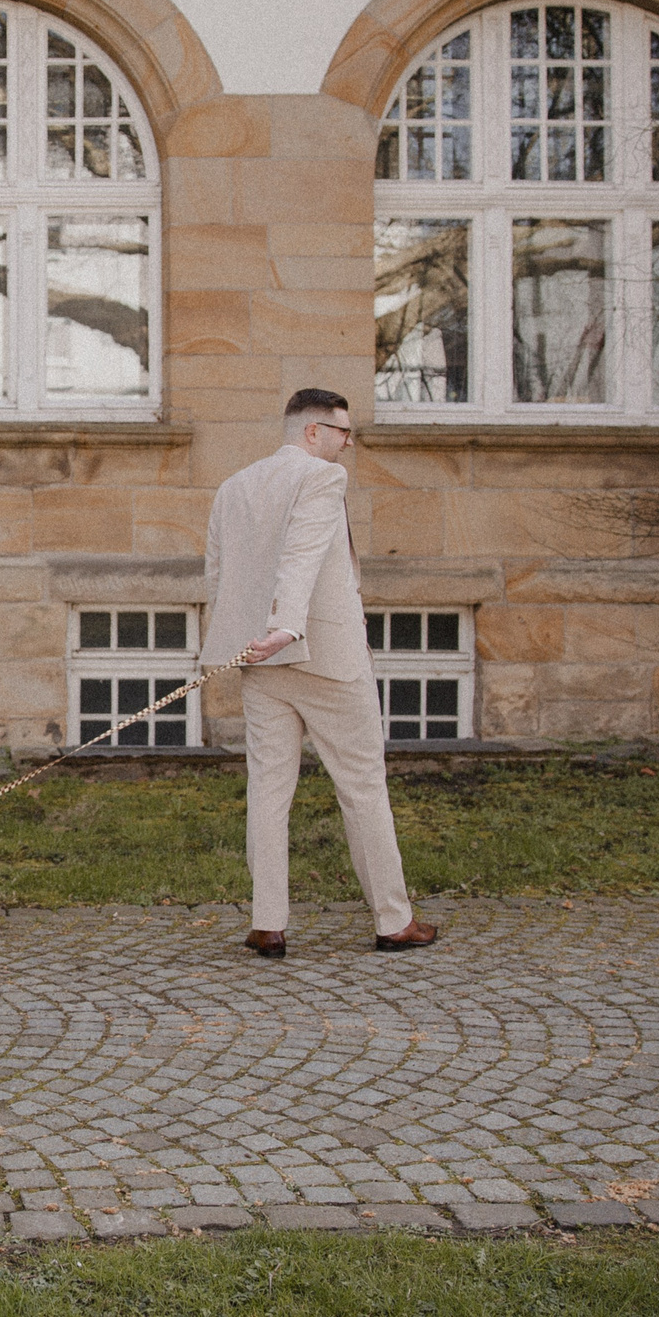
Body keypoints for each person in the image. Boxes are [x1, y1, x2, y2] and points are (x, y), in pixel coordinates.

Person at [201, 387, 439, 960]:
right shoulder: (322, 478)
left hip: (261, 662)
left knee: (268, 788)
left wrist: (245, 642)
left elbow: (217, 575)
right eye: (342, 432)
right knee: (362, 785)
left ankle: (268, 922)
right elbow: (302, 552)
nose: (349, 443)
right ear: (312, 431)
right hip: (320, 653)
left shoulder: (234, 486)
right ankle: (392, 920)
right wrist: (286, 626)